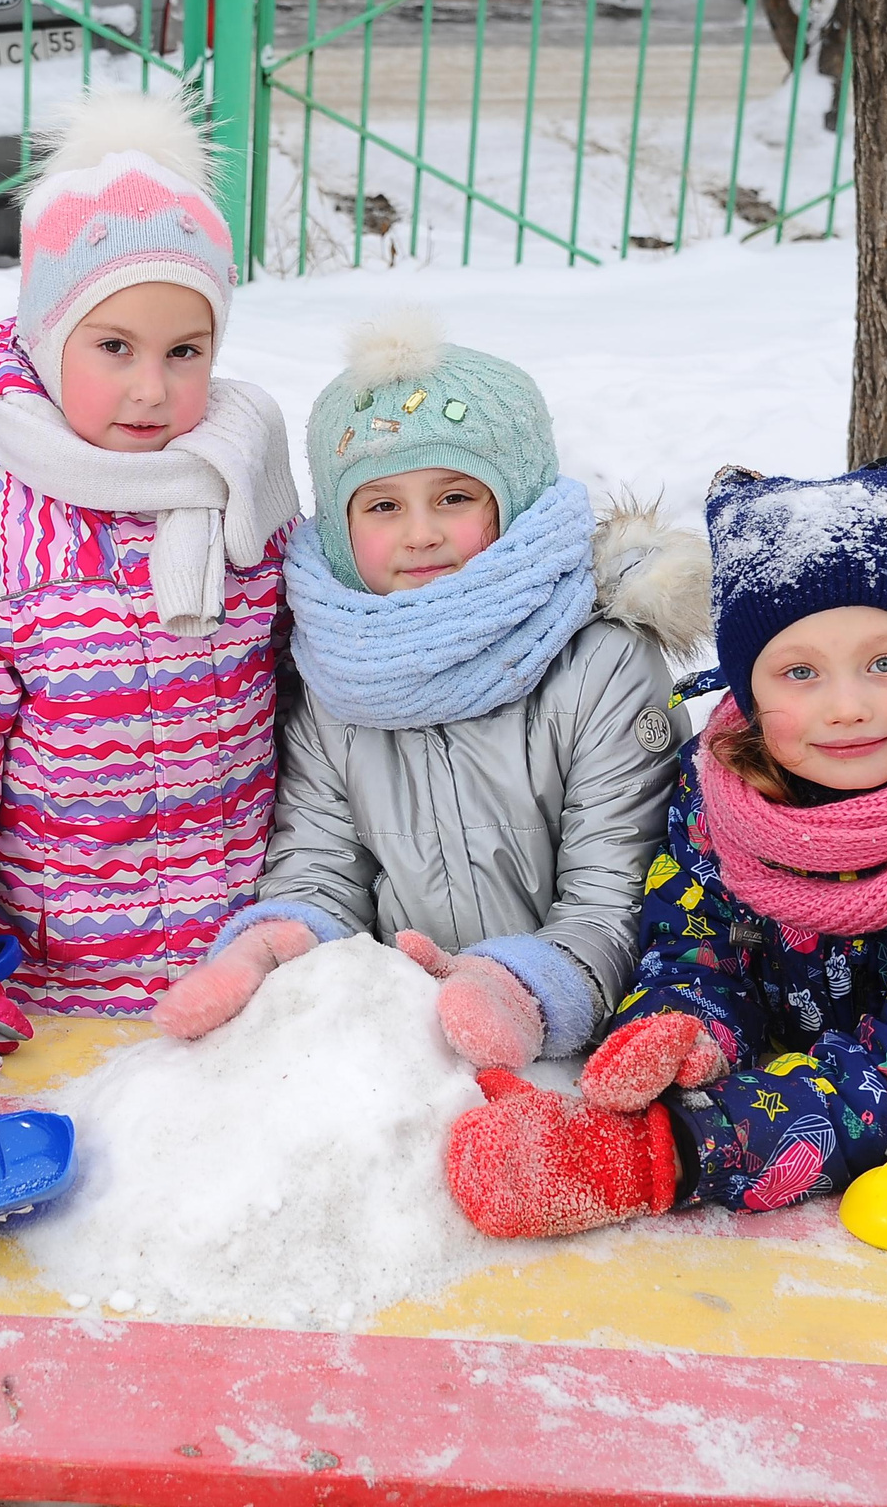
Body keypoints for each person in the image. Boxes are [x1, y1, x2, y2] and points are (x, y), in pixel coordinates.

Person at [444, 461, 887, 1239]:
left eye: (885, 663)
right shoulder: (720, 801)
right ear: (750, 693)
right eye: (801, 671)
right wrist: (687, 1031)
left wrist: (670, 1151)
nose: (847, 706)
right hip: (846, 1160)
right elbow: (699, 950)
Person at [0, 88, 301, 1061]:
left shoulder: (249, 498)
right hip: (47, 993)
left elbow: (306, 712)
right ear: (47, 336)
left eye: (184, 351)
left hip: (244, 981)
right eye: (114, 348)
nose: (152, 388)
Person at [153, 313, 705, 1067]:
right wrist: (281, 948)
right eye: (383, 505)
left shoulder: (603, 665)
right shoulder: (333, 675)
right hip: (412, 1047)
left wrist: (521, 989)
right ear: (341, 527)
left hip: (579, 1041)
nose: (420, 533)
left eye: (454, 497)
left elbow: (618, 892)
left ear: (514, 501)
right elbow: (321, 860)